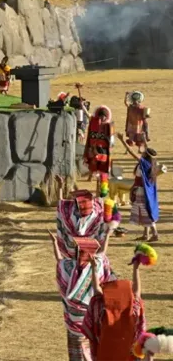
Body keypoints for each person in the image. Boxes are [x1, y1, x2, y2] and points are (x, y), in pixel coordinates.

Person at [51, 231, 114, 361]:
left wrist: (55, 243)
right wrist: (107, 235)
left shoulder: (69, 267)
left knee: (76, 346)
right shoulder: (98, 266)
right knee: (91, 346)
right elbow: (103, 253)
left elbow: (59, 260)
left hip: (74, 319)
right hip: (91, 317)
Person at [80, 255, 147, 361]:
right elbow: (136, 291)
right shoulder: (134, 309)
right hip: (127, 355)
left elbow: (96, 288)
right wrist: (136, 268)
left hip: (105, 354)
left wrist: (94, 267)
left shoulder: (101, 307)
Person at [118, 136, 160, 242]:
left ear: (145, 155)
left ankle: (155, 234)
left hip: (142, 191)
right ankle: (146, 235)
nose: (142, 152)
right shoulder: (152, 163)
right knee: (144, 212)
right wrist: (144, 140)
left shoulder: (145, 163)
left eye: (144, 153)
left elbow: (131, 152)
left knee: (146, 213)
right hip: (145, 191)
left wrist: (122, 140)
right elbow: (147, 149)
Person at [84, 106, 113, 183]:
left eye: (104, 116)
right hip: (93, 147)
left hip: (103, 149)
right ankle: (90, 176)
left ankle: (101, 179)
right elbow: (88, 114)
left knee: (102, 165)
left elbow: (111, 139)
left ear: (106, 117)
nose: (102, 118)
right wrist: (83, 106)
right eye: (101, 116)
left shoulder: (108, 125)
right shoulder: (94, 122)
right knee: (92, 163)